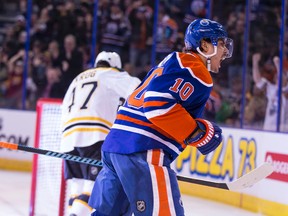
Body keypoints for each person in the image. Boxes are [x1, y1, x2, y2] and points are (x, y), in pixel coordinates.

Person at [88, 18, 233, 215]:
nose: (225, 51)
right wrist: (196, 133)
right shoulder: (196, 70)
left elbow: (153, 106)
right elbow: (157, 106)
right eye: (222, 44)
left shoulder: (172, 63)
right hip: (142, 150)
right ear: (205, 45)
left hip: (115, 147)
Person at [60, 51, 141, 216]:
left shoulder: (77, 79)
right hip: (94, 136)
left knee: (76, 188)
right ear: (115, 66)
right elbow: (137, 87)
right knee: (93, 187)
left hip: (67, 139)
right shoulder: (110, 74)